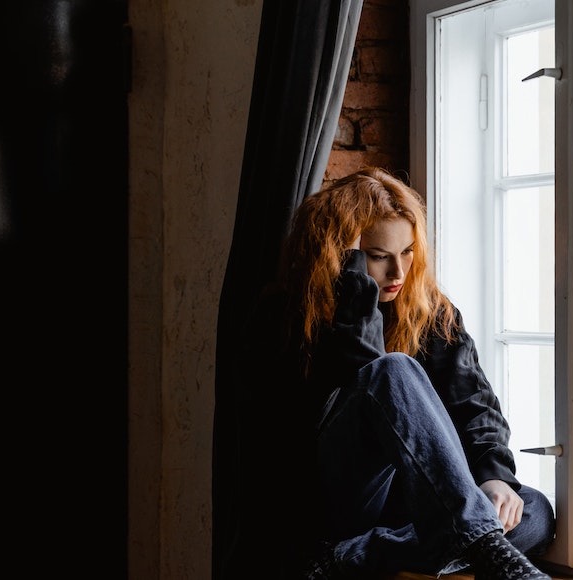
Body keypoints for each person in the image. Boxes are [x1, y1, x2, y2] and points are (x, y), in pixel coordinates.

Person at [238, 167, 555, 579]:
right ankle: (476, 541)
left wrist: (494, 476)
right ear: (340, 255)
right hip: (334, 500)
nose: (399, 273)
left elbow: (474, 406)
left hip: (412, 507)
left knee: (533, 511)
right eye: (377, 256)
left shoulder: (430, 311)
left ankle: (349, 557)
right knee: (391, 369)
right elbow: (289, 437)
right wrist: (355, 292)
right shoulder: (284, 315)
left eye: (407, 252)